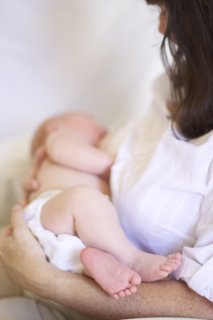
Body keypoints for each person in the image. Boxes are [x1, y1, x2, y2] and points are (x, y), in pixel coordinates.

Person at [1, 0, 213, 319]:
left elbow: (205, 302)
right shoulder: (179, 83)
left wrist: (46, 280)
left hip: (76, 270)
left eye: (167, 12)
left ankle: (122, 258)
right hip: (54, 230)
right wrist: (40, 174)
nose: (161, 28)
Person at [22, 112, 181, 299]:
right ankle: (132, 258)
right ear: (55, 128)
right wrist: (112, 164)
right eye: (91, 121)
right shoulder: (57, 139)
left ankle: (97, 269)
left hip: (68, 241)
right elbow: (62, 150)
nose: (103, 129)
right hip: (54, 209)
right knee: (85, 198)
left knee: (92, 247)